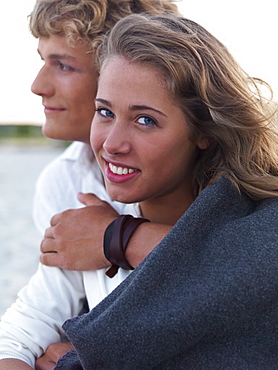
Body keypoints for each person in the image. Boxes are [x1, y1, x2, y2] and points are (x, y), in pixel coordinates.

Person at [48, 13, 277, 369]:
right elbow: (18, 333)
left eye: (145, 120)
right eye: (105, 111)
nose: (111, 144)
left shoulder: (263, 220)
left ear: (204, 131)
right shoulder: (83, 223)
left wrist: (120, 238)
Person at [0, 1, 180, 369]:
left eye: (63, 65)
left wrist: (116, 237)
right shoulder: (64, 184)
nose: (37, 86)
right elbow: (38, 319)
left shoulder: (236, 201)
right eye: (42, 59)